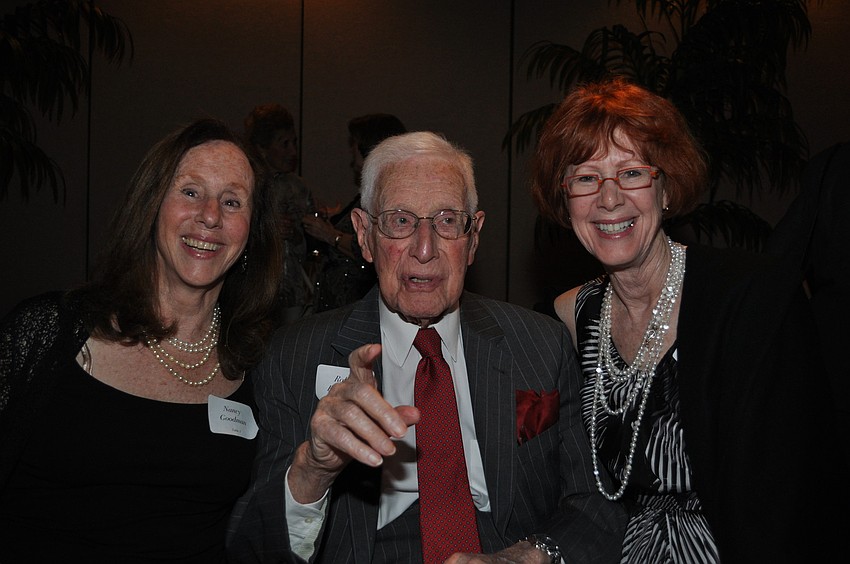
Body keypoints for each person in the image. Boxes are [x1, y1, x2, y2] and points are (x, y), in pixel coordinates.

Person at [227, 131, 626, 563]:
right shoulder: (295, 358)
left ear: (473, 238)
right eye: (400, 221)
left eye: (447, 221)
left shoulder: (540, 345)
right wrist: (313, 470)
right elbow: (252, 548)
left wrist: (531, 557)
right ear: (364, 234)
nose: (424, 249)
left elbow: (595, 502)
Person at [530, 77, 840, 562]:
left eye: (631, 173)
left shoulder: (752, 298)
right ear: (565, 200)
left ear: (667, 187)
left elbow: (795, 500)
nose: (608, 199)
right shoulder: (566, 318)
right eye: (586, 178)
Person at [0, 118, 282, 562]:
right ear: (151, 205)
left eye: (232, 201)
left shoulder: (260, 366)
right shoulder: (46, 333)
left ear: (250, 235)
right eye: (190, 192)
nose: (210, 216)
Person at [303, 113, 407, 312]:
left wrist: (329, 234)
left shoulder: (387, 197)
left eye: (355, 143)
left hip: (356, 307)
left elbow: (371, 247)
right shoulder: (371, 192)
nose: (351, 150)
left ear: (370, 147)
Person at [245, 102, 316, 325]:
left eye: (294, 142)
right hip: (255, 288)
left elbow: (312, 246)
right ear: (262, 148)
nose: (293, 151)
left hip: (294, 291)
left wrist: (296, 235)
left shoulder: (299, 187)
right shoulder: (246, 185)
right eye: (284, 144)